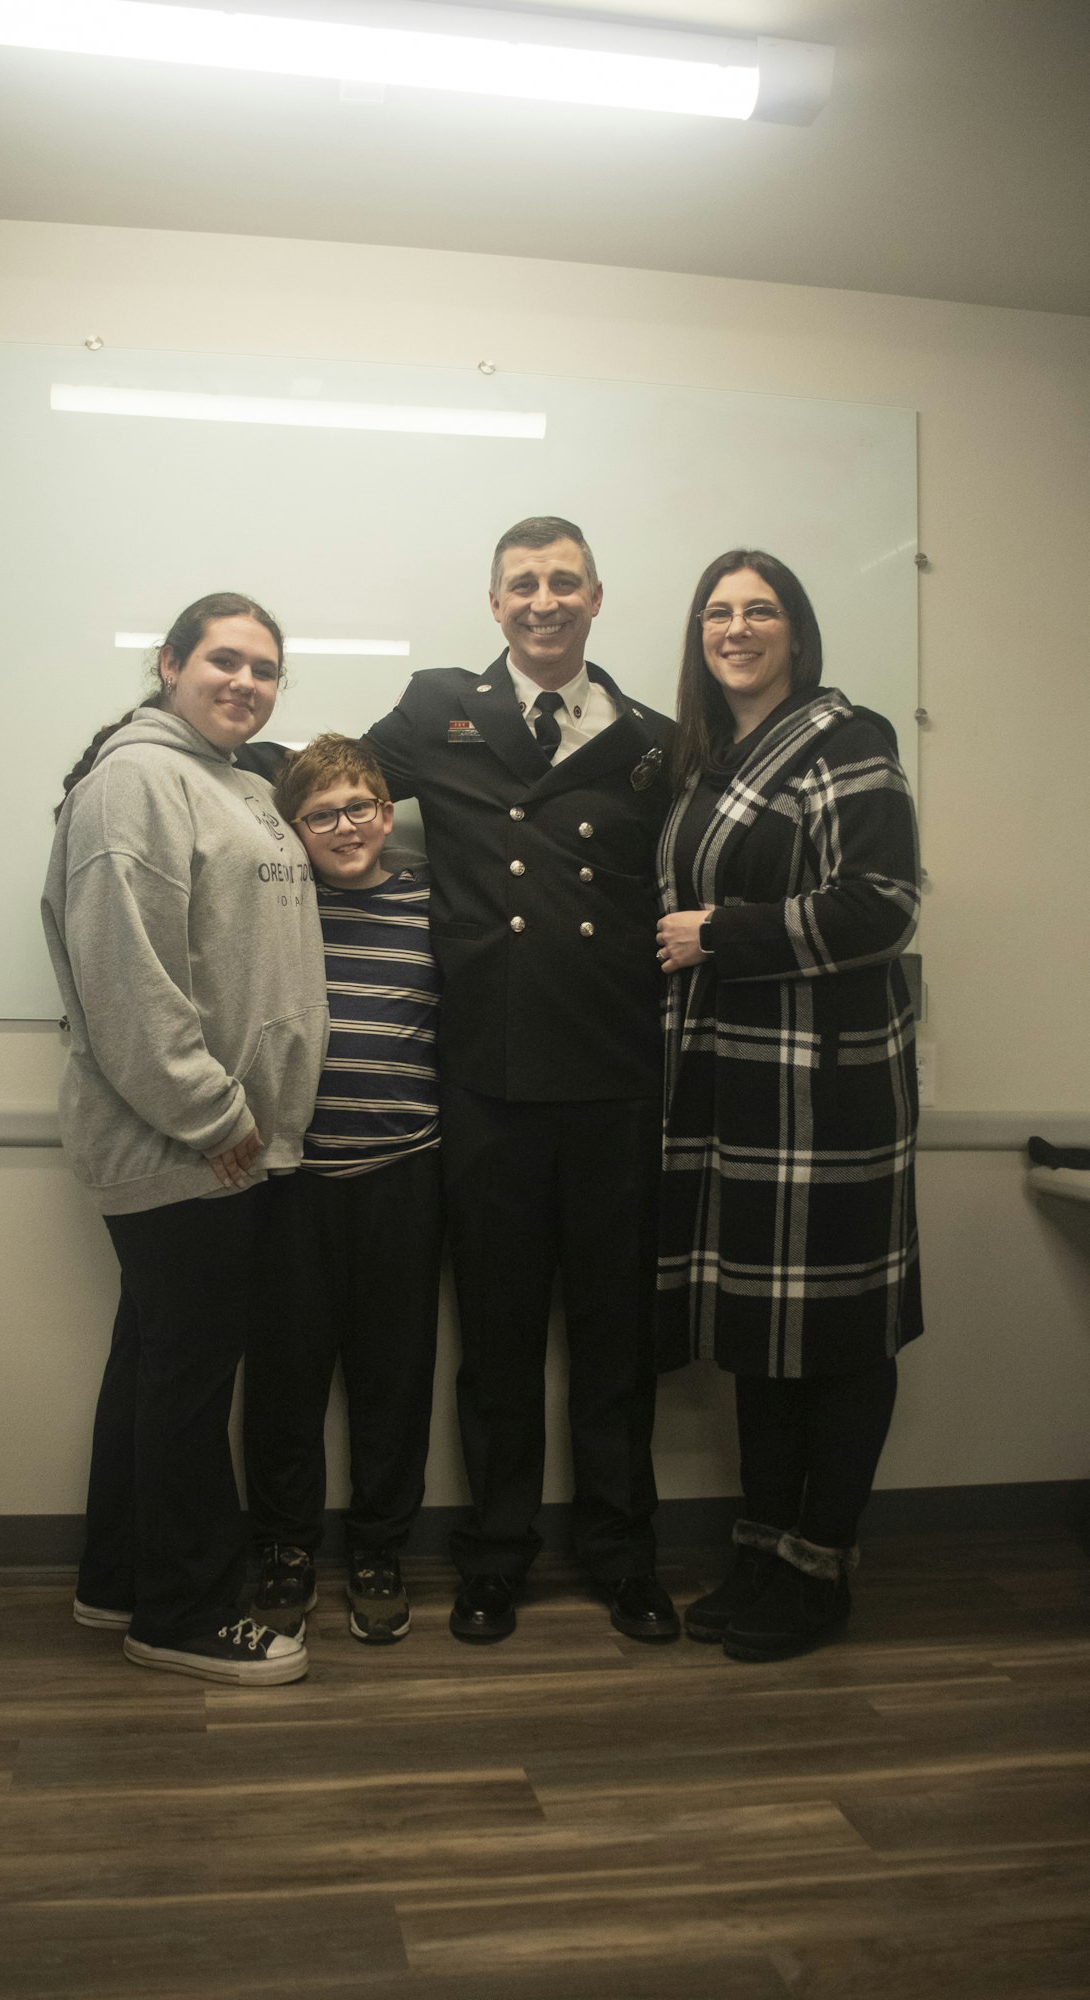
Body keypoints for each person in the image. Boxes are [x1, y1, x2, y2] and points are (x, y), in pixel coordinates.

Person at [364, 515, 679, 1646]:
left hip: (611, 1080)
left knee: (611, 1342)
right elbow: (331, 786)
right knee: (495, 1343)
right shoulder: (433, 708)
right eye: (520, 584)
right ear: (493, 604)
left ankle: (619, 1551)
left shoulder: (653, 739)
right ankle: (493, 1556)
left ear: (597, 597)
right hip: (484, 1083)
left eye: (562, 582)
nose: (541, 600)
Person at [41, 592, 329, 1686]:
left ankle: (118, 1573)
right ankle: (185, 1611)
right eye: (223, 658)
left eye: (264, 667)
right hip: (188, 1142)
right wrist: (214, 1114)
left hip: (233, 1142)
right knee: (192, 1376)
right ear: (169, 662)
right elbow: (126, 978)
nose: (245, 681)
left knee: (159, 1360)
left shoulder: (244, 784)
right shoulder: (133, 781)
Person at [654, 549, 923, 1662]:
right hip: (737, 1088)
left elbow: (881, 904)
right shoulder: (709, 764)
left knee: (839, 1338)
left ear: (795, 632)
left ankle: (821, 1563)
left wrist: (718, 931)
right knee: (760, 1335)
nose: (735, 626)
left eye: (758, 609)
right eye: (717, 610)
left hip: (829, 1093)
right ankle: (761, 1550)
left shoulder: (847, 740)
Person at [241, 733, 443, 1646]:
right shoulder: (278, 914)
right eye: (320, 814)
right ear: (295, 831)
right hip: (295, 1184)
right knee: (285, 1380)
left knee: (392, 1380)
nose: (344, 825)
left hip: (405, 1174)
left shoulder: (433, 907)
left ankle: (378, 1550)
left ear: (387, 813)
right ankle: (284, 1550)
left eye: (359, 806)